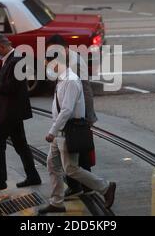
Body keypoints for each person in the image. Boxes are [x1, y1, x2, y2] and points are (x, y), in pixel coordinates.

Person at [38, 50, 116, 214]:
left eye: (48, 64)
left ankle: (106, 186)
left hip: (67, 130)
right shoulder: (62, 79)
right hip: (60, 131)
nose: (47, 69)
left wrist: (52, 131)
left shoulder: (71, 81)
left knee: (71, 168)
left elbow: (66, 110)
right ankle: (57, 202)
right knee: (53, 165)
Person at [0, 34, 41, 191]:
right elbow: (6, 83)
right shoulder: (9, 60)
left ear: (3, 47)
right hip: (12, 111)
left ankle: (0, 181)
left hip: (11, 112)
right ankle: (33, 176)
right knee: (20, 145)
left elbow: (11, 88)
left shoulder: (16, 61)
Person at [45, 34, 97, 199]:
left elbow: (85, 89)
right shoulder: (61, 61)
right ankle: (75, 186)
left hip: (77, 115)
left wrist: (88, 116)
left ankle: (88, 185)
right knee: (67, 154)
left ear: (65, 49)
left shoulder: (75, 63)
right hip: (66, 117)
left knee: (78, 149)